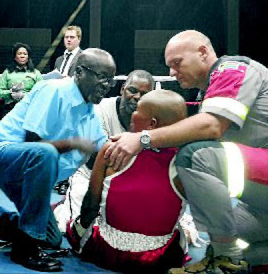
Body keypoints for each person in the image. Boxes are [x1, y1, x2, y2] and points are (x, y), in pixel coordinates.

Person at [105, 30, 268, 274]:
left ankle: (224, 259)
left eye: (177, 63)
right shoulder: (210, 93)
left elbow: (211, 126)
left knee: (194, 155)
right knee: (229, 238)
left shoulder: (232, 69)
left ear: (202, 53)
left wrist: (142, 138)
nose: (171, 72)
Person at [0, 48, 117, 272]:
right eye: (102, 77)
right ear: (81, 72)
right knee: (45, 154)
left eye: (110, 80)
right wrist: (73, 143)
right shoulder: (54, 90)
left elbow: (102, 154)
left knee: (51, 238)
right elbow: (33, 145)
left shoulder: (89, 112)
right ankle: (24, 249)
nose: (106, 85)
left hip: (28, 172)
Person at [66, 89, 188, 273]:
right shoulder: (186, 160)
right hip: (160, 258)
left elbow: (90, 204)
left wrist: (77, 233)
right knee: (181, 229)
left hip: (105, 252)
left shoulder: (112, 148)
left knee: (74, 225)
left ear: (152, 124)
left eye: (138, 110)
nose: (132, 113)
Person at [53, 69, 155, 233]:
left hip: (130, 179)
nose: (137, 97)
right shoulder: (100, 109)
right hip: (90, 175)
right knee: (75, 228)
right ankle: (61, 209)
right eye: (133, 90)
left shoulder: (153, 117)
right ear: (123, 89)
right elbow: (96, 159)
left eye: (144, 94)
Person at [0, 42, 43, 116]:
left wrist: (24, 95)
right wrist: (11, 93)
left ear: (28, 57)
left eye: (25, 54)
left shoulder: (35, 73)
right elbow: (0, 92)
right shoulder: (7, 72)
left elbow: (41, 92)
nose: (22, 56)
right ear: (15, 57)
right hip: (10, 108)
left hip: (29, 107)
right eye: (19, 54)